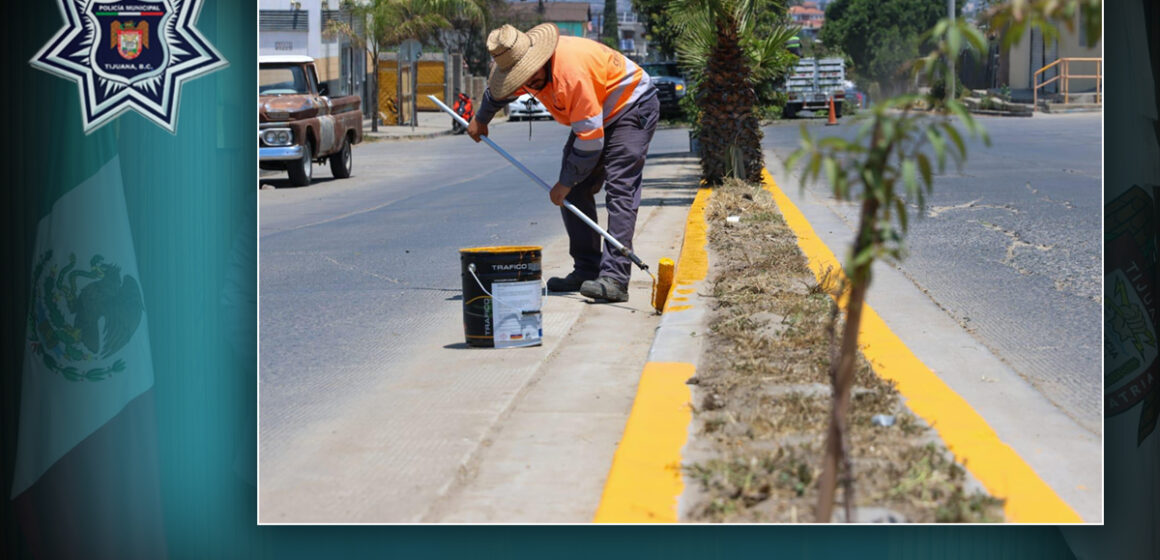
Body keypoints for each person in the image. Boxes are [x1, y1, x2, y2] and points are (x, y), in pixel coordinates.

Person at [467, 23, 659, 303]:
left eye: (528, 76)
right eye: (519, 79)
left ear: (541, 61)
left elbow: (591, 142)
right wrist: (481, 118)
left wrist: (565, 182)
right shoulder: (522, 68)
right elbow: (499, 93)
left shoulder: (571, 75)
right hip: (597, 111)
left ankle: (615, 278)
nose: (526, 84)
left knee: (619, 189)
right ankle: (586, 270)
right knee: (576, 191)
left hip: (631, 106)